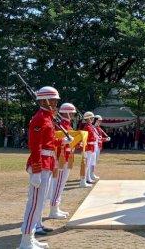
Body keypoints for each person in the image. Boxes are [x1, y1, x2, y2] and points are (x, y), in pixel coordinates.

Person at [19, 86, 70, 249]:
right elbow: (35, 146)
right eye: (53, 100)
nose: (55, 103)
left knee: (39, 203)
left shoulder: (47, 118)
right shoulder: (39, 118)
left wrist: (62, 142)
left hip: (47, 163)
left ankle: (31, 236)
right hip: (40, 164)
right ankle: (25, 240)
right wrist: (36, 170)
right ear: (44, 101)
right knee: (34, 203)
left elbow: (48, 142)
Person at [47, 103, 77, 219]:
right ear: (67, 113)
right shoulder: (61, 125)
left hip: (66, 156)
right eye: (72, 113)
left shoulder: (65, 124)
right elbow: (57, 139)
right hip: (61, 157)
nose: (73, 115)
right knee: (58, 183)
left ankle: (56, 207)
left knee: (61, 184)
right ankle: (53, 209)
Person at [80, 111, 97, 187]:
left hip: (91, 147)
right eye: (92, 118)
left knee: (88, 164)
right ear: (89, 118)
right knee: (86, 165)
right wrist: (86, 149)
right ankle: (83, 181)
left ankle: (87, 178)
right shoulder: (87, 127)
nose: (93, 119)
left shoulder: (89, 126)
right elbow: (85, 139)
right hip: (88, 148)